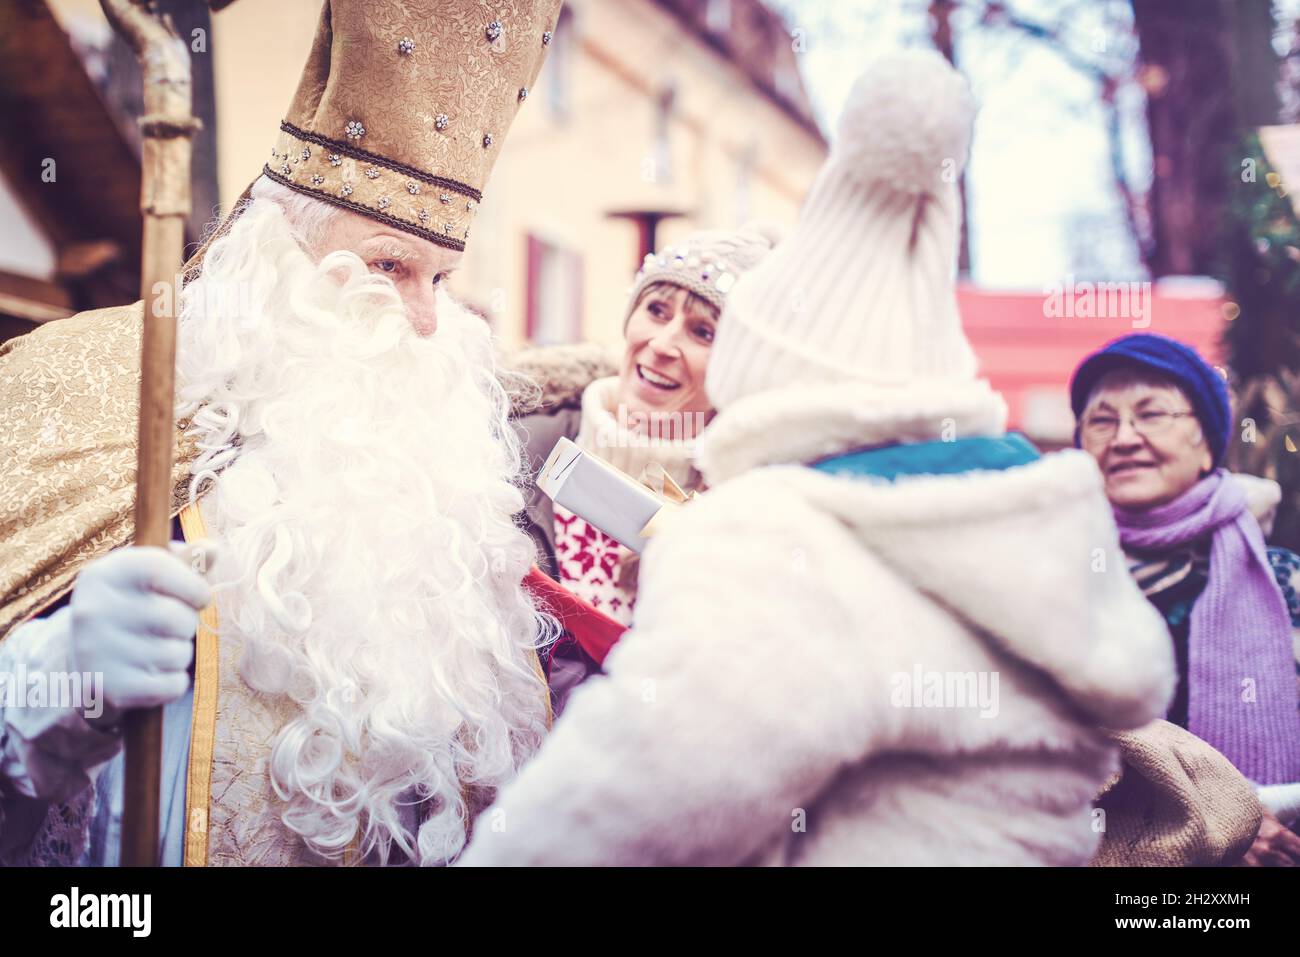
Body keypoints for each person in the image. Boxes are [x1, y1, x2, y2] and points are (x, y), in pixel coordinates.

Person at [457, 49, 1175, 867]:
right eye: (654, 311)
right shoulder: (1025, 507)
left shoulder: (784, 535)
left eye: (713, 339)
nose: (666, 348)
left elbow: (627, 799)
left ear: (765, 381)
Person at [0, 0, 564, 866]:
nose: (422, 321)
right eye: (387, 266)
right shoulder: (93, 395)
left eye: (440, 278)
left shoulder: (439, 509)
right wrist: (55, 678)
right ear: (277, 260)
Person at [516, 225, 775, 712]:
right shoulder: (516, 445)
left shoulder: (747, 509)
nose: (662, 343)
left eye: (703, 332)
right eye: (655, 311)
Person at [1070, 332, 1300, 865]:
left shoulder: (1285, 583)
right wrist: (1226, 819)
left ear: (1205, 442)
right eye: (1101, 420)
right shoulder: (1039, 584)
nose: (1124, 437)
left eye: (1152, 414)